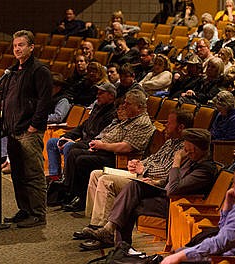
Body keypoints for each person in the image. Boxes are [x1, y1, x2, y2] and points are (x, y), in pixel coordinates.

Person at [0, 30, 53, 228]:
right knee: (18, 174)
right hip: (13, 131)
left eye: (21, 45)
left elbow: (44, 102)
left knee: (33, 175)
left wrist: (33, 127)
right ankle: (25, 210)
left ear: (31, 47)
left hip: (28, 132)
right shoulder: (12, 71)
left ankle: (38, 215)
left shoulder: (40, 71)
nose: (17, 49)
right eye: (14, 46)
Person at [79, 128, 217, 249]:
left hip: (177, 204)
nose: (184, 151)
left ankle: (117, 240)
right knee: (134, 186)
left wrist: (176, 162)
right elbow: (169, 181)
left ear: (197, 149)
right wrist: (156, 183)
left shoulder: (205, 170)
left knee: (129, 204)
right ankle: (115, 238)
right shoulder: (192, 159)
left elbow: (173, 190)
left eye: (187, 149)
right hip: (165, 196)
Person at [74, 109, 194, 242]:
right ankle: (95, 224)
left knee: (106, 180)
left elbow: (167, 172)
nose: (165, 125)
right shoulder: (170, 142)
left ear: (181, 127)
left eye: (169, 123)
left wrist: (143, 169)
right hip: (142, 174)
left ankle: (104, 231)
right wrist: (137, 162)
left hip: (151, 182)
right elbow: (153, 158)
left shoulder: (185, 149)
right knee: (95, 174)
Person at [62, 90, 155, 212]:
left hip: (118, 158)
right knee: (74, 151)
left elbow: (126, 147)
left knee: (82, 160)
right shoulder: (131, 118)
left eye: (128, 104)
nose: (124, 106)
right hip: (105, 150)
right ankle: (71, 192)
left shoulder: (142, 123)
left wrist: (102, 145)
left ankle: (81, 197)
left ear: (139, 107)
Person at [161, 165, 235, 263]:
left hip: (234, 260)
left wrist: (180, 256)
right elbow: (223, 229)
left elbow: (219, 244)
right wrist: (227, 204)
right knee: (182, 252)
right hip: (232, 255)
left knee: (179, 256)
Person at [45, 82, 117, 180]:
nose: (97, 96)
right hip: (83, 140)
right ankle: (54, 177)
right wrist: (67, 136)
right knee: (52, 142)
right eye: (97, 93)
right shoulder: (97, 108)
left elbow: (99, 136)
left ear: (111, 96)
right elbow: (82, 126)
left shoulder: (112, 114)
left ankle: (67, 179)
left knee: (69, 146)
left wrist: (74, 142)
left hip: (93, 144)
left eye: (101, 94)